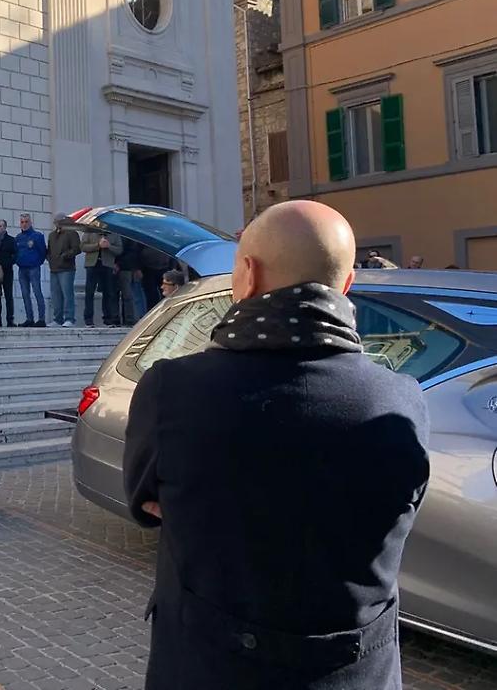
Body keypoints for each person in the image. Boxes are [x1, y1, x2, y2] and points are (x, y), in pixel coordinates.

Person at [123, 200, 430, 690]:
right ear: (346, 284)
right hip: (355, 674)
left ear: (246, 274)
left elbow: (144, 504)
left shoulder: (173, 390)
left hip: (211, 668)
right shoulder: (403, 397)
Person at [81, 231, 120, 328]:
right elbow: (83, 247)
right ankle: (88, 319)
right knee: (89, 292)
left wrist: (109, 246)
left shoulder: (114, 234)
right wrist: (97, 245)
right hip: (92, 265)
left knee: (108, 292)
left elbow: (119, 249)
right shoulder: (89, 232)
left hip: (107, 265)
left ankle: (108, 319)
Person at [47, 213, 80, 328]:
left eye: (58, 221)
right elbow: (49, 250)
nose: (56, 223)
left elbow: (77, 248)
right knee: (56, 295)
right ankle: (57, 319)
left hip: (67, 268)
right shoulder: (51, 235)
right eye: (55, 221)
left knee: (67, 294)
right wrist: (50, 259)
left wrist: (65, 255)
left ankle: (69, 318)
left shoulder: (72, 233)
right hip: (54, 268)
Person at [16, 214, 47, 327]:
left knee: (37, 292)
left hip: (33, 268)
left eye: (26, 222)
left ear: (30, 223)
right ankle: (29, 318)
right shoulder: (18, 237)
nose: (24, 224)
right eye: (22, 222)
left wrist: (38, 262)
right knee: (25, 294)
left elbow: (43, 251)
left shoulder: (37, 236)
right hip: (22, 269)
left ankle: (41, 318)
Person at [116, 240, 146, 325]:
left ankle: (130, 318)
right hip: (128, 267)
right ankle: (130, 317)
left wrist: (118, 264)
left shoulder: (125, 238)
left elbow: (131, 253)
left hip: (126, 268)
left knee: (129, 295)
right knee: (131, 295)